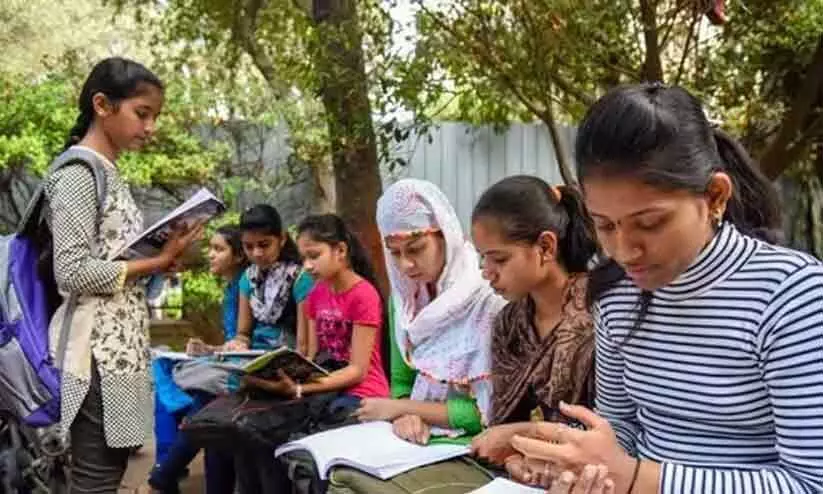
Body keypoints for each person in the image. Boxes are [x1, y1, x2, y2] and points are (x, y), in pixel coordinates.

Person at [510, 83, 823, 493]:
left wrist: (637, 478)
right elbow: (620, 427)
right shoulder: (617, 297)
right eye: (604, 224)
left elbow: (810, 483)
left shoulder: (792, 296)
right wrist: (578, 467)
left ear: (714, 197)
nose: (623, 250)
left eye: (650, 223)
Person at [46, 57, 202, 493]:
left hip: (121, 350)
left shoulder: (110, 173)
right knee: (96, 481)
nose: (150, 127)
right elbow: (72, 270)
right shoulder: (77, 173)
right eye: (142, 113)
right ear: (102, 104)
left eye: (155, 116)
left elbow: (116, 263)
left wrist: (161, 250)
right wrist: (155, 261)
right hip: (93, 353)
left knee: (108, 474)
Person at [329, 179, 506, 494]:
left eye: (416, 249)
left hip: (473, 448)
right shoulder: (406, 303)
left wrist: (400, 409)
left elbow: (484, 415)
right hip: (412, 443)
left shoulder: (486, 302)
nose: (405, 265)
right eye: (394, 253)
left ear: (446, 235)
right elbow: (402, 381)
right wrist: (403, 412)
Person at [237, 213, 390, 494]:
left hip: (362, 393)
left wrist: (300, 389)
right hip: (324, 387)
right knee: (253, 433)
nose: (307, 265)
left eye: (314, 255)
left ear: (340, 251)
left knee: (310, 453)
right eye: (304, 257)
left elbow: (357, 370)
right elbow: (310, 355)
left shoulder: (364, 295)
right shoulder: (316, 293)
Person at [469, 176, 599, 487]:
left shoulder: (601, 315)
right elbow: (501, 423)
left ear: (545, 246)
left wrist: (517, 439)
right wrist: (515, 460)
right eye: (483, 258)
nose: (487, 273)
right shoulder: (508, 324)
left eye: (499, 258)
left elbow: (609, 429)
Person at [148, 225, 247, 493]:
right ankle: (165, 470)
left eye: (219, 249)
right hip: (229, 361)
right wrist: (208, 348)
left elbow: (247, 340)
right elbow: (234, 340)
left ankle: (163, 473)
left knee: (205, 405)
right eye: (210, 248)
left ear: (238, 256)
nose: (210, 255)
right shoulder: (230, 288)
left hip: (242, 368)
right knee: (161, 364)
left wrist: (218, 350)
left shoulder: (244, 286)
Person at [225, 204, 314, 352]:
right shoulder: (247, 278)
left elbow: (303, 345)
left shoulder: (300, 278)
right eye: (249, 247)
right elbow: (243, 334)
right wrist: (239, 344)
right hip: (253, 358)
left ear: (282, 239)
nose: (257, 253)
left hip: (289, 359)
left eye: (264, 245)